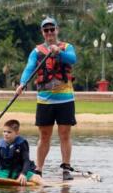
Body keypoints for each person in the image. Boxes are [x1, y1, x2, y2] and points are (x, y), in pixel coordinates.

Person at [15, 17, 77, 181]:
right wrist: (22, 84)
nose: (49, 32)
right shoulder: (36, 52)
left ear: (57, 30)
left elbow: (72, 59)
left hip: (65, 100)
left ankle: (66, 168)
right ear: (42, 32)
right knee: (44, 135)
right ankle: (39, 169)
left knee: (64, 134)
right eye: (46, 30)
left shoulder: (67, 47)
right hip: (45, 101)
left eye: (52, 29)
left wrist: (59, 52)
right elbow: (29, 68)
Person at [0, 119, 44, 186]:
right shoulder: (1, 145)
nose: (6, 134)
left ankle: (45, 190)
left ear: (17, 133)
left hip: (19, 172)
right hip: (4, 172)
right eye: (4, 131)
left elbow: (26, 161)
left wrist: (23, 174)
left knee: (37, 178)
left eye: (9, 132)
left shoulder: (21, 144)